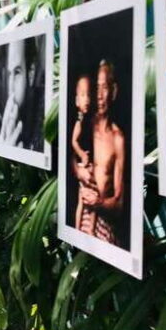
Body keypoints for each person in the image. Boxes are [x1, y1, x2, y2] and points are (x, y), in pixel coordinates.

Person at [77, 61, 126, 245]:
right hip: (80, 224)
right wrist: (78, 170)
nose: (99, 95)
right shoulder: (84, 126)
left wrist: (98, 203)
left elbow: (119, 204)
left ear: (113, 91)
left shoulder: (117, 139)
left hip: (104, 232)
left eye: (104, 88)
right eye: (95, 88)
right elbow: (69, 159)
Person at [0, 38, 45, 150]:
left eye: (17, 72)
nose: (10, 88)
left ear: (31, 74)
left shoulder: (44, 117)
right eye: (7, 74)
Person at [71, 74, 95, 232]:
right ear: (76, 101)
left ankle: (90, 229)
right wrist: (82, 155)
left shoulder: (91, 119)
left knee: (92, 198)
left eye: (89, 95)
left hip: (91, 166)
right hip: (83, 165)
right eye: (82, 95)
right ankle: (78, 228)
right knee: (82, 199)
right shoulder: (80, 121)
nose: (86, 99)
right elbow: (74, 141)